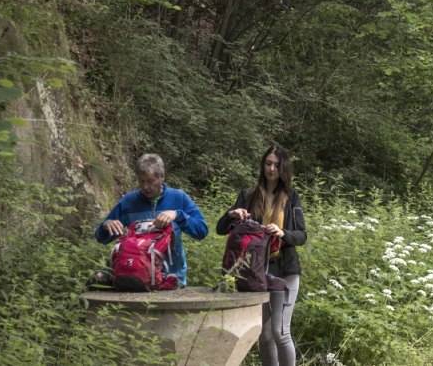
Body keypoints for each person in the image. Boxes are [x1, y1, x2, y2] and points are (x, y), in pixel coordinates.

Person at [216, 145, 307, 366]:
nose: (271, 168)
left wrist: (282, 232)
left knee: (280, 332)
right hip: (256, 272)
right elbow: (220, 229)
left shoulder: (291, 197)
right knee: (264, 335)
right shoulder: (248, 195)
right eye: (268, 163)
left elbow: (302, 235)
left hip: (285, 269)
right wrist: (232, 214)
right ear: (263, 165)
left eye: (276, 164)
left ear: (283, 167)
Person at [94, 153, 208, 286]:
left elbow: (201, 231)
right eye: (141, 181)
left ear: (162, 177)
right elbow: (100, 238)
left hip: (172, 281)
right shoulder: (129, 201)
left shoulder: (178, 198)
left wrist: (178, 215)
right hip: (136, 279)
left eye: (150, 181)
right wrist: (106, 225)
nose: (145, 187)